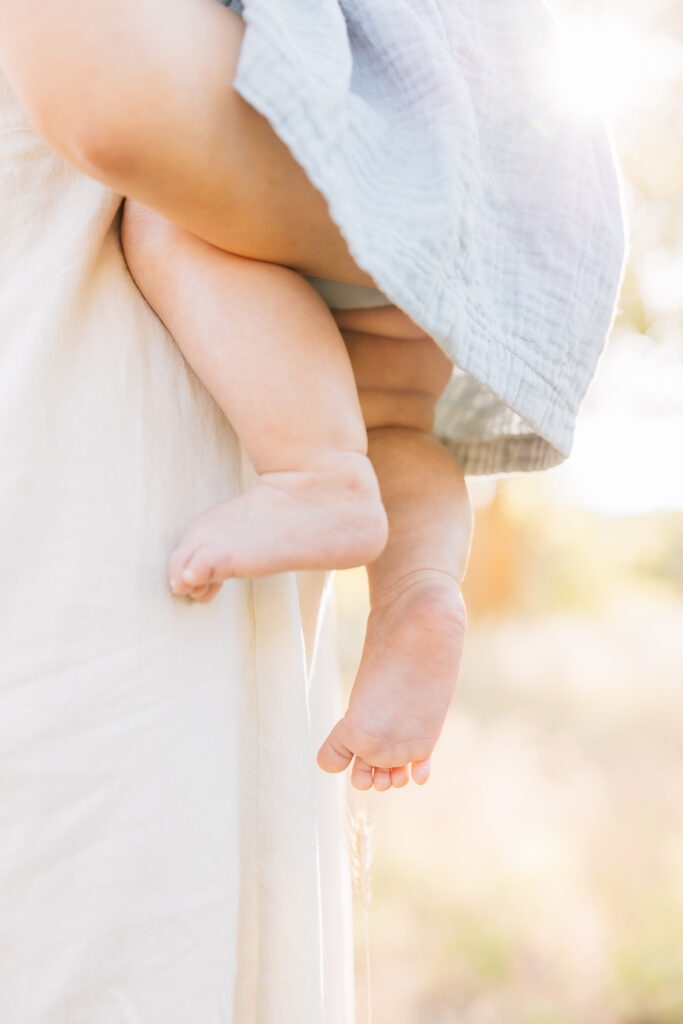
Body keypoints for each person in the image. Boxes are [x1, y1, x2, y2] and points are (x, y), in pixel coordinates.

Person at [0, 0, 625, 1019]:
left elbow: (108, 94)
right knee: (392, 402)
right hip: (467, 133)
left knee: (170, 221)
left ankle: (316, 475)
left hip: (350, 117)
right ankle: (419, 584)